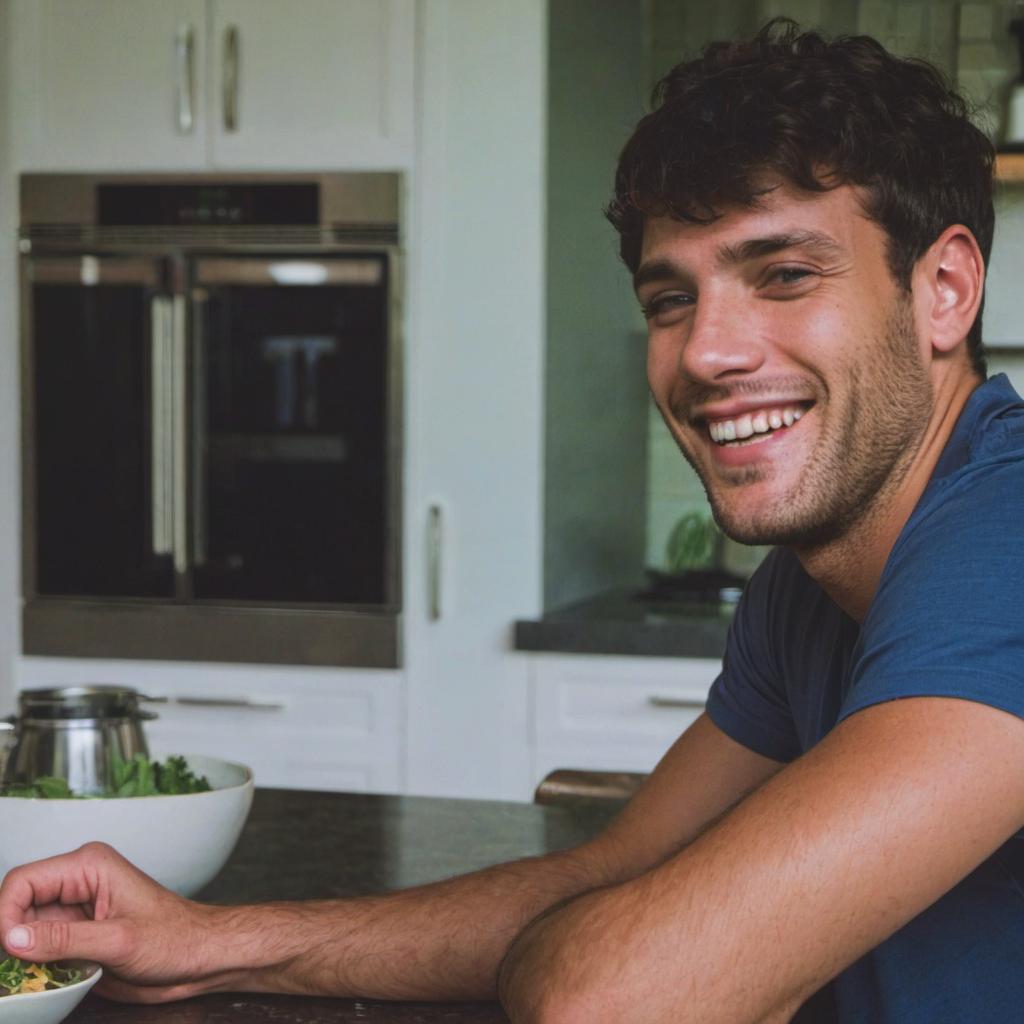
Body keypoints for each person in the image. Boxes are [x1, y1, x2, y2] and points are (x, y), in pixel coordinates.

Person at [4, 18, 1024, 1022]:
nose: (707, 351)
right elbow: (616, 868)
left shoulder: (1006, 535)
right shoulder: (805, 585)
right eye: (669, 299)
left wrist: (582, 943)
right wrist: (204, 943)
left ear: (943, 291)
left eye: (785, 275)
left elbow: (609, 993)